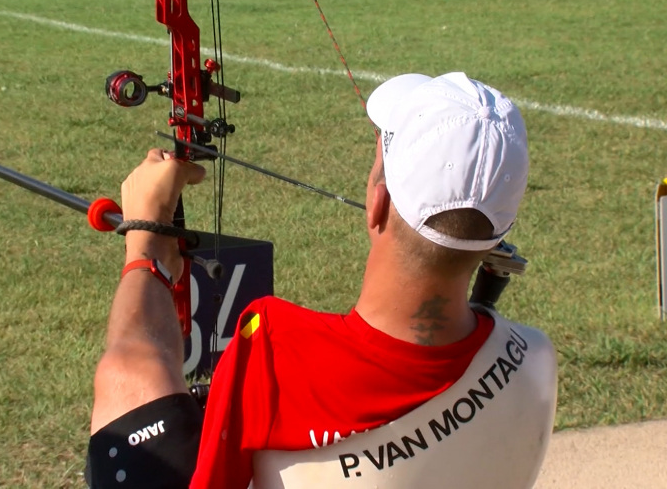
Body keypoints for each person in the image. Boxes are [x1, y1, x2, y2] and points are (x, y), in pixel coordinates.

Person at [85, 72, 558, 489]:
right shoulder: (536, 357)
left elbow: (129, 370)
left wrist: (145, 240)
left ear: (378, 203)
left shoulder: (274, 354)